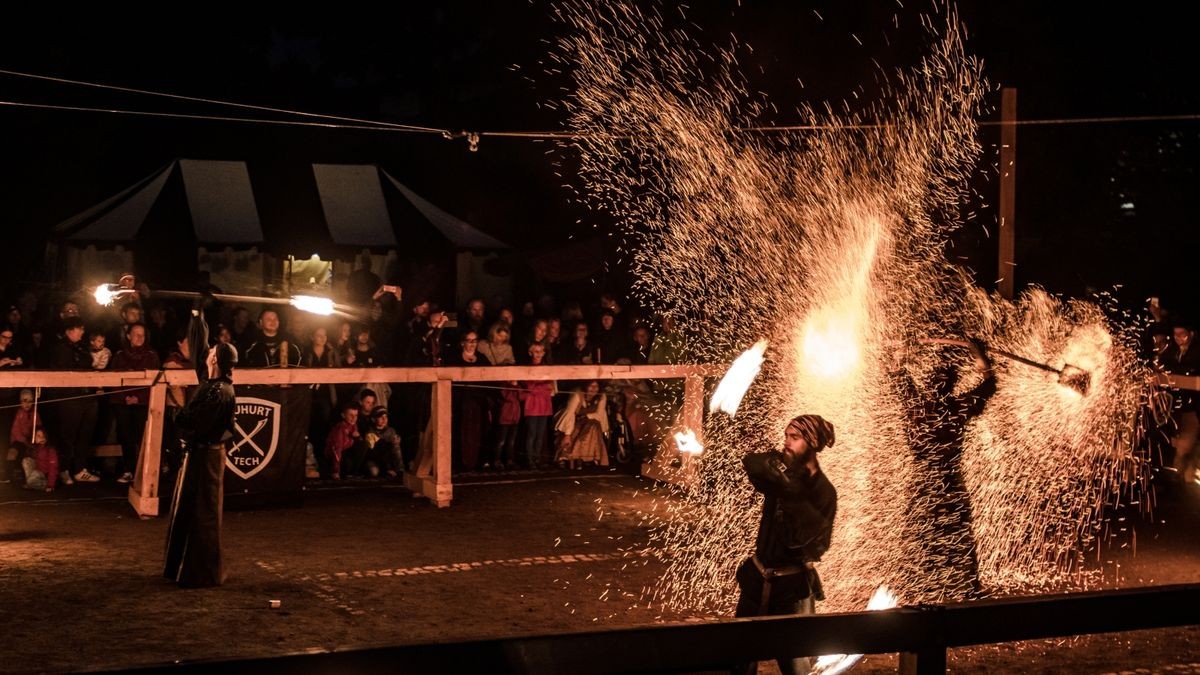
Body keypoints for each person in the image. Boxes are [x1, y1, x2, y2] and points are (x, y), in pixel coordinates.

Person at [734, 415, 837, 675]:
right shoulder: (780, 474)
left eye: (795, 437)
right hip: (758, 580)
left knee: (797, 665)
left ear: (812, 442)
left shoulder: (824, 492)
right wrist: (782, 477)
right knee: (739, 658)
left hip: (792, 591)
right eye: (786, 436)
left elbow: (811, 543)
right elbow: (752, 462)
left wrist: (792, 494)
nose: (786, 442)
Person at [893, 338, 995, 601]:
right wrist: (979, 356)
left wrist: (902, 352)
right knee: (955, 530)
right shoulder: (958, 406)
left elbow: (896, 373)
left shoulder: (917, 403)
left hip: (927, 479)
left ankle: (918, 584)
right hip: (947, 479)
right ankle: (965, 586)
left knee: (926, 530)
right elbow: (989, 383)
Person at [163, 295, 237, 588]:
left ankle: (203, 573)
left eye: (211, 353)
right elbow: (199, 345)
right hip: (199, 455)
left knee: (202, 515)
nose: (206, 354)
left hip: (207, 458)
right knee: (190, 512)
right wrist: (197, 313)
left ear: (216, 361)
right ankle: (185, 569)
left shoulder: (218, 392)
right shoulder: (212, 381)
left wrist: (176, 411)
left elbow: (192, 422)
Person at [110, 323, 161, 483]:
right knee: (125, 435)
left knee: (142, 435)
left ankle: (144, 471)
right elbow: (114, 379)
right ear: (128, 336)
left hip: (143, 402)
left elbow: (154, 380)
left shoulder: (152, 355)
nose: (139, 338)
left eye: (142, 335)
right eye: (136, 334)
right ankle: (128, 469)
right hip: (122, 401)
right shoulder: (119, 356)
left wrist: (139, 398)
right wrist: (126, 397)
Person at [1162, 317, 1200, 484]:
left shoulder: (1197, 351)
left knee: (1190, 435)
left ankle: (1189, 470)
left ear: (1190, 334)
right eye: (1175, 334)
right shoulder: (1172, 350)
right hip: (1178, 402)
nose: (1178, 338)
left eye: (1181, 334)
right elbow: (1165, 365)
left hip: (1195, 403)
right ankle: (1179, 471)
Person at [555, 380, 609, 469]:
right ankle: (566, 456)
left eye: (596, 386)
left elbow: (599, 414)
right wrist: (567, 434)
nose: (594, 389)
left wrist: (586, 416)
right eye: (591, 386)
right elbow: (570, 413)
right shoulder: (577, 394)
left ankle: (591, 457)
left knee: (593, 427)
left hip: (592, 423)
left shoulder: (601, 396)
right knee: (574, 434)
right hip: (575, 421)